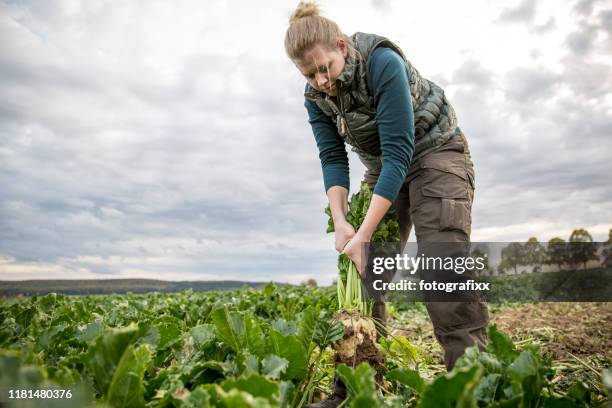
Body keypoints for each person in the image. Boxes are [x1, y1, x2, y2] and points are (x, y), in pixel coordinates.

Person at [284, 1, 489, 406]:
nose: (321, 80)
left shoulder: (382, 62)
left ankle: (473, 391)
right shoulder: (315, 97)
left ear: (342, 47)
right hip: (383, 167)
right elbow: (332, 158)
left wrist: (364, 231)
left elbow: (399, 152)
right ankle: (359, 391)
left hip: (435, 152)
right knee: (365, 269)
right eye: (310, 74)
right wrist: (344, 224)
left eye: (325, 67)